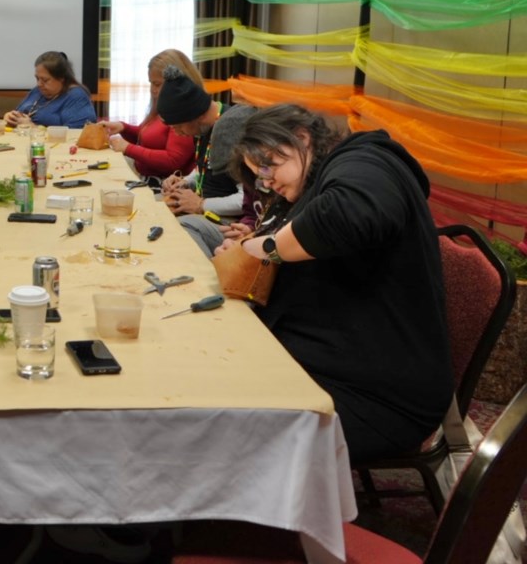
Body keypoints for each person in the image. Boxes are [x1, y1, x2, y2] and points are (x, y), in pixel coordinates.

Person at [221, 103, 452, 463]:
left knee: (218, 421)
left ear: (301, 137)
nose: (267, 182)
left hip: (377, 396)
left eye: (268, 166)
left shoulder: (366, 160)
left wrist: (264, 248)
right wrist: (256, 240)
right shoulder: (312, 183)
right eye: (259, 176)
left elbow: (347, 214)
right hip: (335, 365)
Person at [156, 65, 257, 257]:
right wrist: (185, 181)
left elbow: (245, 199)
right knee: (153, 203)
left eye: (178, 127)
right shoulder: (202, 128)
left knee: (183, 226)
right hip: (205, 206)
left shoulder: (231, 130)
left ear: (197, 116)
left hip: (230, 221)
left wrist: (202, 205)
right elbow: (206, 166)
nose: (177, 133)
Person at [100, 49, 198, 179]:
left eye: (157, 84)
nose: (152, 90)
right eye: (151, 83)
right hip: (145, 175)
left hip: (163, 185)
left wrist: (128, 148)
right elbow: (147, 138)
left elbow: (173, 161)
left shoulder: (184, 112)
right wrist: (123, 127)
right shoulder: (163, 106)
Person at [3, 51, 96, 129]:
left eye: (45, 80)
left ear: (61, 78)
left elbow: (76, 135)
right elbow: (19, 114)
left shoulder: (76, 97)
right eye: (37, 78)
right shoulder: (37, 91)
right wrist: (11, 118)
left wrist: (32, 127)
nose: (39, 84)